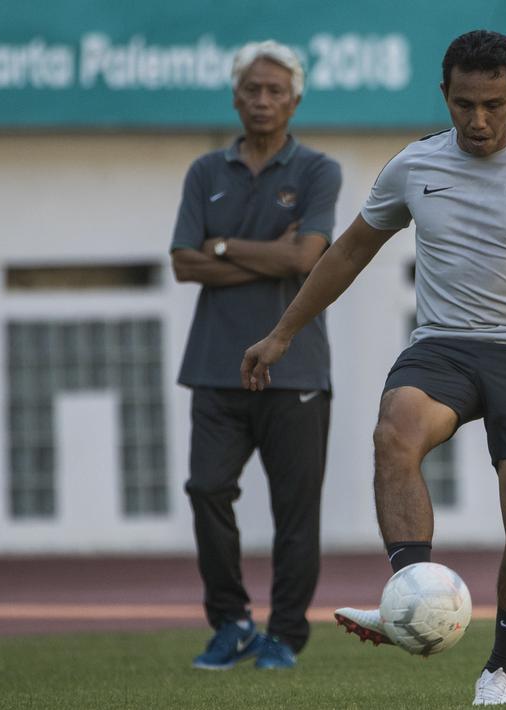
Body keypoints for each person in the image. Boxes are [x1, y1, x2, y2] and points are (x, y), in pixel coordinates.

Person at [240, 29, 506, 703]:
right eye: (463, 104)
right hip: (444, 345)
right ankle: (411, 595)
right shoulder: (413, 166)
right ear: (444, 96)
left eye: (493, 104)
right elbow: (345, 254)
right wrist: (282, 333)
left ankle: (499, 669)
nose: (478, 120)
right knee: (393, 431)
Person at [169, 39, 342, 670]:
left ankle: (285, 636)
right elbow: (183, 265)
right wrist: (246, 254)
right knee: (206, 489)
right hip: (214, 367)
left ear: (294, 100)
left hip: (295, 368)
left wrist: (220, 248)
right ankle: (232, 622)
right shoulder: (204, 172)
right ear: (235, 98)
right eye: (252, 89)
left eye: (275, 90)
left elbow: (306, 259)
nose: (262, 100)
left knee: (295, 514)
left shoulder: (318, 170)